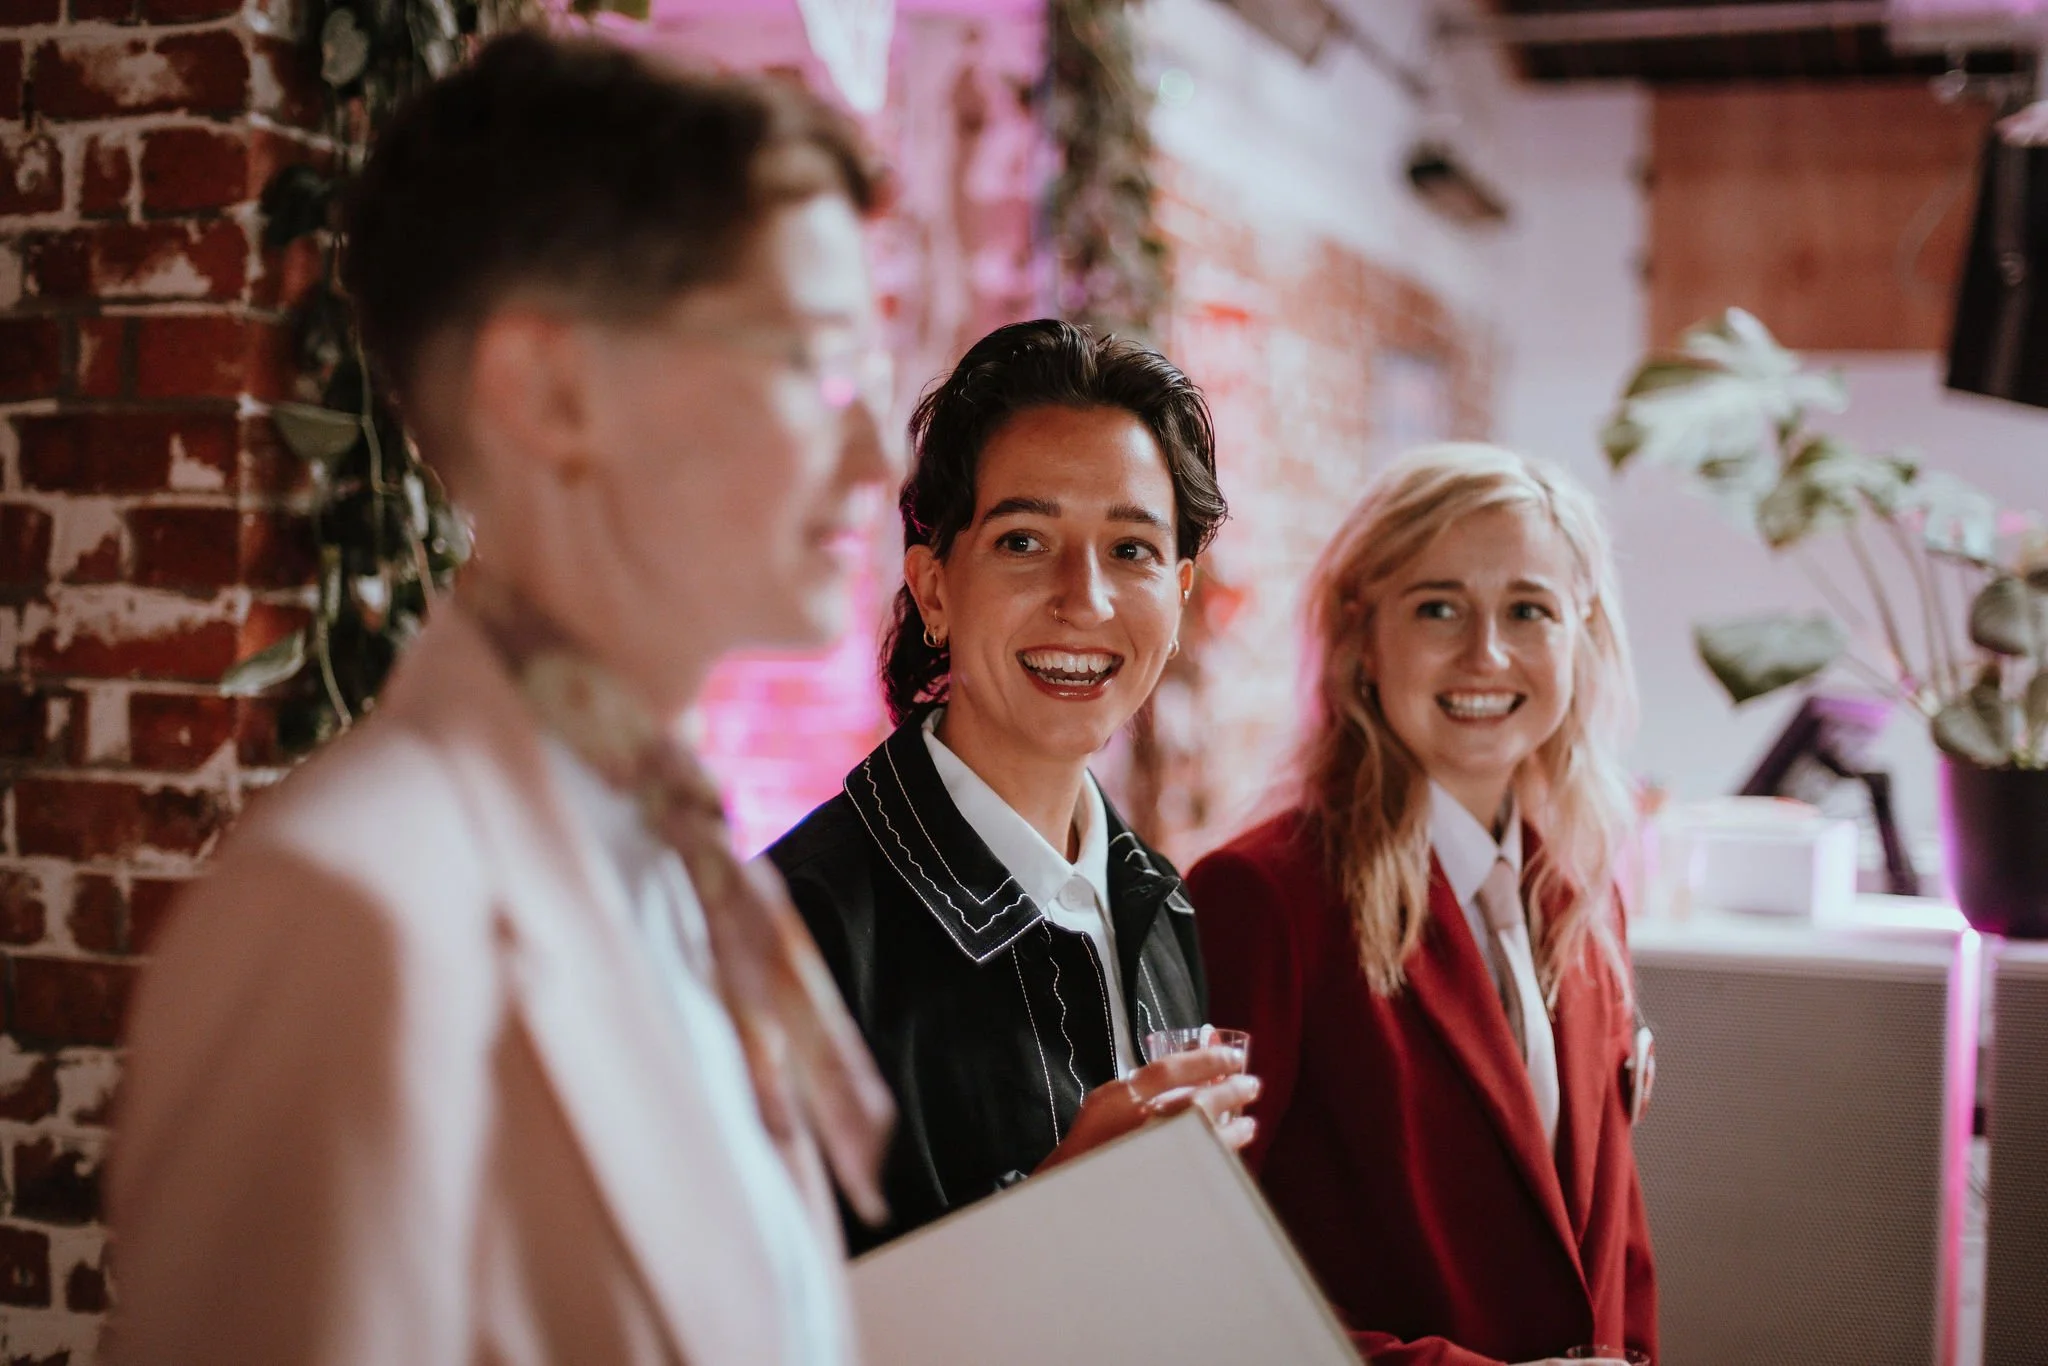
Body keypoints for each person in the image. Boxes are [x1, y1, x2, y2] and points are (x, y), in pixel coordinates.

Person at [107, 33, 899, 1366]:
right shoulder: (349, 912)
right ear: (554, 388)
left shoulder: (688, 869)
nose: (877, 446)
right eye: (811, 359)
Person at [765, 319, 1258, 1253]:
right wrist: (1051, 1213)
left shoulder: (1161, 908)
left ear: (1182, 592)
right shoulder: (792, 934)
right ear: (936, 588)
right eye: (1025, 541)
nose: (1086, 599)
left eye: (1132, 550)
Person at [1187, 444, 1657, 1366]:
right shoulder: (1262, 898)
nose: (1486, 654)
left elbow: (1615, 1252)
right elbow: (1204, 1284)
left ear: (1582, 636)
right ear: (1364, 637)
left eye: (1529, 610)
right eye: (1438, 607)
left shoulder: (1583, 897)